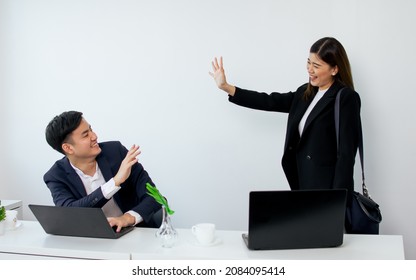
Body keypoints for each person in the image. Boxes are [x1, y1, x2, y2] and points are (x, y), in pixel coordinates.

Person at [209, 37, 361, 204]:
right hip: (302, 181)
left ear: (334, 69)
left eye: (316, 66)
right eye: (308, 62)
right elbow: (269, 101)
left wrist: (339, 200)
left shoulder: (345, 98)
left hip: (328, 188)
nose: (310, 69)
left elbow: (346, 155)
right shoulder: (306, 92)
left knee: (322, 230)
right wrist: (227, 87)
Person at [43, 111, 161, 232]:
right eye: (85, 135)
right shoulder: (56, 176)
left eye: (91, 129)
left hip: (137, 233)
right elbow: (71, 213)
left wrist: (127, 218)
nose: (94, 136)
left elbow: (155, 197)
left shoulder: (117, 153)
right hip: (92, 239)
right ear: (68, 148)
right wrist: (114, 183)